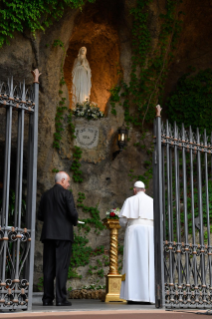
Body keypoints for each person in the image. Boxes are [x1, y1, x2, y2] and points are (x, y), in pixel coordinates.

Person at [38, 171, 78, 306]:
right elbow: (72, 213)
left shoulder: (45, 195)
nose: (68, 184)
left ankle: (47, 299)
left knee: (48, 268)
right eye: (67, 182)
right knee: (62, 267)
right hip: (64, 235)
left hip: (49, 234)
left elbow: (40, 215)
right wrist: (75, 221)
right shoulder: (66, 194)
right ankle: (60, 299)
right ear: (62, 180)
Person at [119, 181, 155, 303]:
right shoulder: (152, 201)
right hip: (149, 232)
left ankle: (132, 296)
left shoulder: (129, 200)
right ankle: (149, 296)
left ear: (135, 190)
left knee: (132, 262)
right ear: (144, 190)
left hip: (133, 231)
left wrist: (128, 224)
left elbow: (122, 220)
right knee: (148, 262)